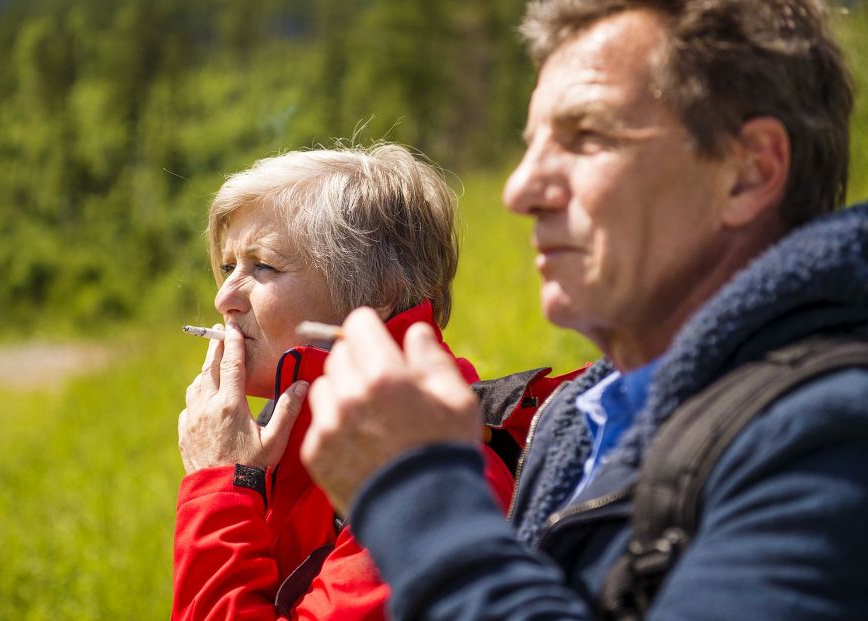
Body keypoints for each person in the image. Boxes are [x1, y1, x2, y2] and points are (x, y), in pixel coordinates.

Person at [301, 1, 868, 619]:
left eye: (588, 137)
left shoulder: (833, 434)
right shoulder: (576, 417)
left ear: (748, 172)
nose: (520, 190)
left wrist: (418, 494)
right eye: (534, 143)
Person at [171, 143, 569, 619]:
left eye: (263, 266)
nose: (224, 298)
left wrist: (219, 488)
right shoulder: (286, 434)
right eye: (230, 265)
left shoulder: (428, 468)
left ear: (376, 294)